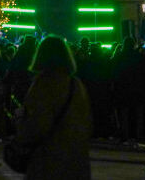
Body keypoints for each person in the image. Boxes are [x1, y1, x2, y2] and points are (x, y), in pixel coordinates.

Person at [16, 36, 91, 180]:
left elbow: (37, 125)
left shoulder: (41, 85)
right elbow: (87, 122)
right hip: (75, 158)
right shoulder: (76, 85)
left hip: (48, 158)